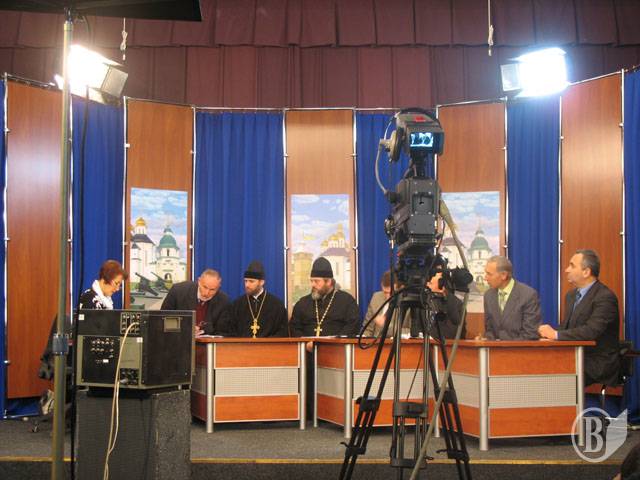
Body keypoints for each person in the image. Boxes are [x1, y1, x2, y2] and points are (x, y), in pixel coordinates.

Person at [538, 249, 620, 386]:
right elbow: (567, 328)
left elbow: (591, 331)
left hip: (596, 361)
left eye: (572, 266)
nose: (566, 270)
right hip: (574, 356)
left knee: (552, 373)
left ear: (586, 272)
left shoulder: (605, 297)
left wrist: (555, 335)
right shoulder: (570, 296)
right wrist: (545, 335)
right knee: (538, 364)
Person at [290, 257, 360, 342]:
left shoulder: (347, 302)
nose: (313, 285)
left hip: (336, 348)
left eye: (317, 281)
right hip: (307, 349)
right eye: (311, 281)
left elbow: (352, 327)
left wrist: (333, 343)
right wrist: (306, 343)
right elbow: (294, 328)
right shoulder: (302, 303)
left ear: (329, 282)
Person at [481, 255, 541, 340]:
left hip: (519, 347)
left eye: (489, 274)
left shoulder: (528, 295)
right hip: (494, 348)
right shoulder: (488, 295)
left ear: (503, 275)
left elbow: (530, 334)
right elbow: (489, 329)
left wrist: (505, 346)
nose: (485, 278)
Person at [161, 269, 231, 336]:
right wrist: (186, 328)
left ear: (218, 287)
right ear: (199, 281)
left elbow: (222, 331)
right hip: (178, 339)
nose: (206, 293)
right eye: (205, 287)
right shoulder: (178, 291)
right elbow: (163, 319)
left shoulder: (223, 301)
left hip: (207, 342)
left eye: (212, 290)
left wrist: (203, 330)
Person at [229, 260, 288, 338]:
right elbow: (231, 331)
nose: (247, 285)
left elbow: (282, 332)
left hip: (268, 345)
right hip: (243, 345)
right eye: (245, 281)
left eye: (251, 281)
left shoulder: (277, 305)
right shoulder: (237, 305)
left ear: (261, 282)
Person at [362, 270, 409, 337]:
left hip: (396, 342)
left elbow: (411, 332)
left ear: (401, 288)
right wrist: (364, 338)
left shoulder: (409, 303)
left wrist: (387, 326)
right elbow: (367, 329)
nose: (388, 296)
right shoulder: (376, 298)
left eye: (391, 293)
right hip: (374, 342)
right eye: (385, 292)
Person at [426, 270, 465, 340]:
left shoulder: (455, 303)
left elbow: (450, 333)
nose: (427, 285)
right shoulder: (424, 299)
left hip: (443, 345)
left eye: (430, 283)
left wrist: (426, 335)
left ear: (442, 286)